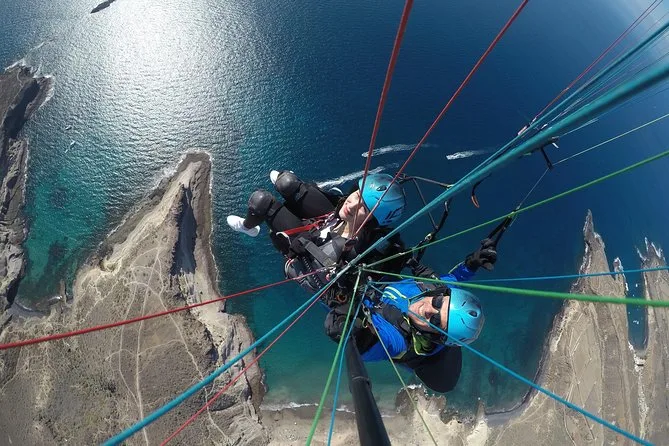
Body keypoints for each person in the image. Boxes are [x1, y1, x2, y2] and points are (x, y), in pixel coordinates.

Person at [325, 238, 497, 393]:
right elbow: (454, 279)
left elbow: (370, 344)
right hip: (372, 283)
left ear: (434, 335)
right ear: (439, 294)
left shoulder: (399, 341)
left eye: (436, 321)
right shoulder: (433, 289)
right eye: (438, 303)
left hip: (346, 297)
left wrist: (351, 329)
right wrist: (472, 264)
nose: (428, 309)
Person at [227, 170, 410, 305]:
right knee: (287, 182)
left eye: (364, 207)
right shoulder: (344, 209)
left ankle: (248, 227)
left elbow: (330, 284)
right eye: (357, 194)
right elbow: (343, 205)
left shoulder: (352, 253)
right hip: (328, 220)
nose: (352, 204)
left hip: (309, 245)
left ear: (373, 221)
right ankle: (288, 189)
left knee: (261, 201)